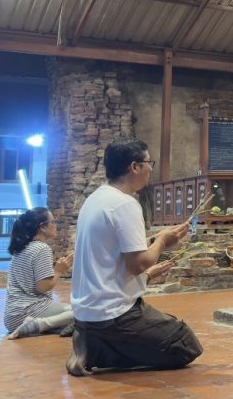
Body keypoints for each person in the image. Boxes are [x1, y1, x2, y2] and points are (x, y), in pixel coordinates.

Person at [66, 137, 203, 376]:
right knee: (183, 344)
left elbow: (115, 254)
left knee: (166, 323)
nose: (151, 168)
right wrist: (162, 242)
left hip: (86, 314)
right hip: (114, 314)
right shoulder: (125, 204)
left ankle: (92, 338)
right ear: (135, 167)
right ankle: (96, 349)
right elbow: (137, 264)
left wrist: (154, 246)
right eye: (149, 163)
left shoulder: (95, 199)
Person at [3, 208, 74, 339]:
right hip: (28, 312)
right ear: (43, 227)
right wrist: (59, 270)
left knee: (76, 321)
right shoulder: (41, 249)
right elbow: (43, 287)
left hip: (12, 317)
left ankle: (51, 326)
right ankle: (38, 325)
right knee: (83, 313)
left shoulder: (22, 248)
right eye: (53, 222)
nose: (55, 225)